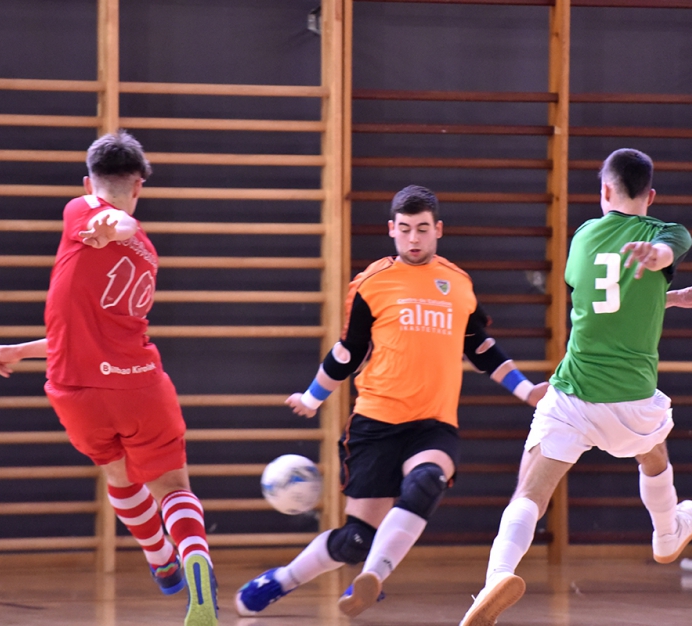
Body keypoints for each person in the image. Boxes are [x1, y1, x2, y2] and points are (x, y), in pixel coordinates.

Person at [235, 185, 549, 618]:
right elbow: (347, 352)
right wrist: (312, 397)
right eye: (405, 229)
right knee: (354, 541)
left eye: (422, 229)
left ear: (438, 229)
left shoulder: (458, 283)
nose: (413, 238)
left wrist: (526, 389)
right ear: (391, 230)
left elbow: (480, 347)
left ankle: (373, 577)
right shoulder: (372, 283)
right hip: (375, 424)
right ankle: (282, 579)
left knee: (426, 481)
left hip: (433, 424)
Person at [458, 148, 692, 626]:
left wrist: (668, 295)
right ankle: (666, 533)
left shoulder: (582, 238)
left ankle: (496, 577)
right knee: (654, 455)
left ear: (605, 190)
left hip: (575, 396)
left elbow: (606, 299)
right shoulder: (665, 233)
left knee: (529, 492)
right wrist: (662, 264)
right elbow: (668, 249)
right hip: (633, 399)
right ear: (651, 196)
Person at [0, 131, 218, 626]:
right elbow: (119, 230)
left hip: (76, 390)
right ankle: (196, 560)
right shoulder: (148, 251)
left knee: (117, 474)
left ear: (89, 183)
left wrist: (113, 225)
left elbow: (111, 222)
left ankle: (160, 559)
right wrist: (21, 350)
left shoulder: (82, 211)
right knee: (173, 487)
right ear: (140, 185)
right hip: (139, 385)